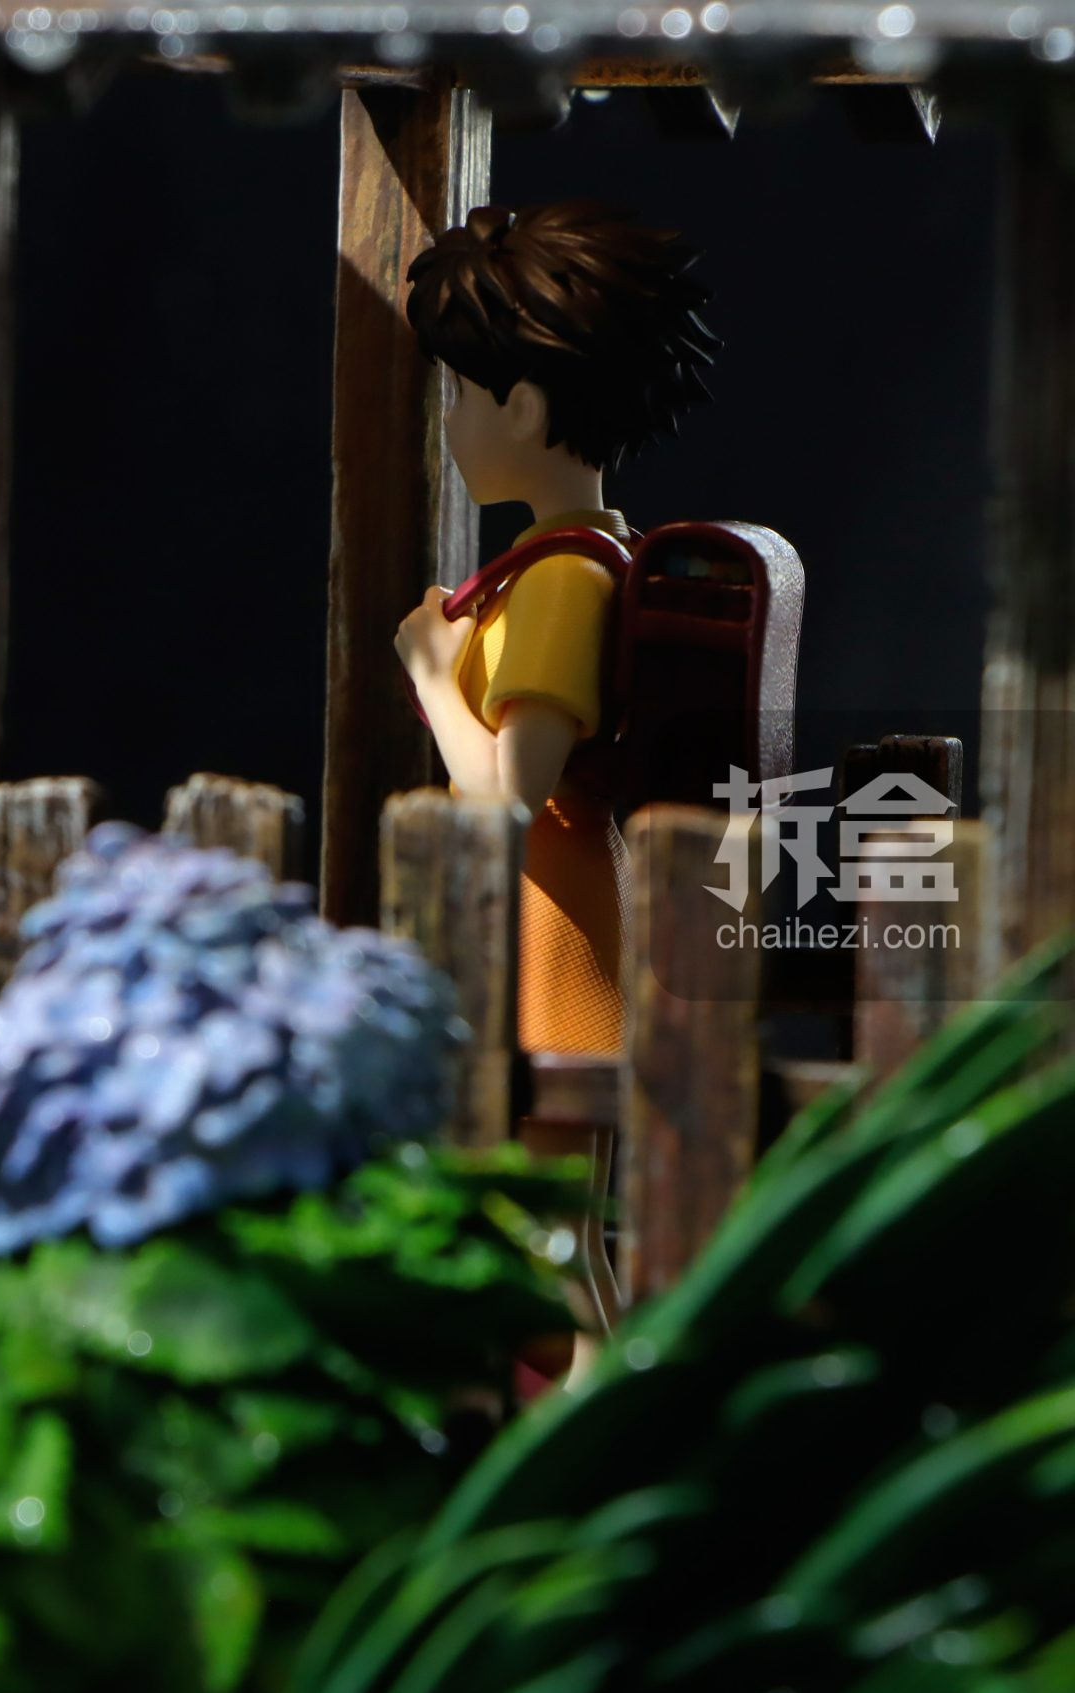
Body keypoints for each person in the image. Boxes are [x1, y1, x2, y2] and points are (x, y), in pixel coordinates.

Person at [392, 201, 719, 1361]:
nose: (449, 422)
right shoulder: (577, 557)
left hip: (551, 926)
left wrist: (429, 672)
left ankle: (605, 1419)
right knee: (553, 1238)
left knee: (558, 1241)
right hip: (556, 907)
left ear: (523, 407)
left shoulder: (561, 582)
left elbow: (507, 801)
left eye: (458, 396)